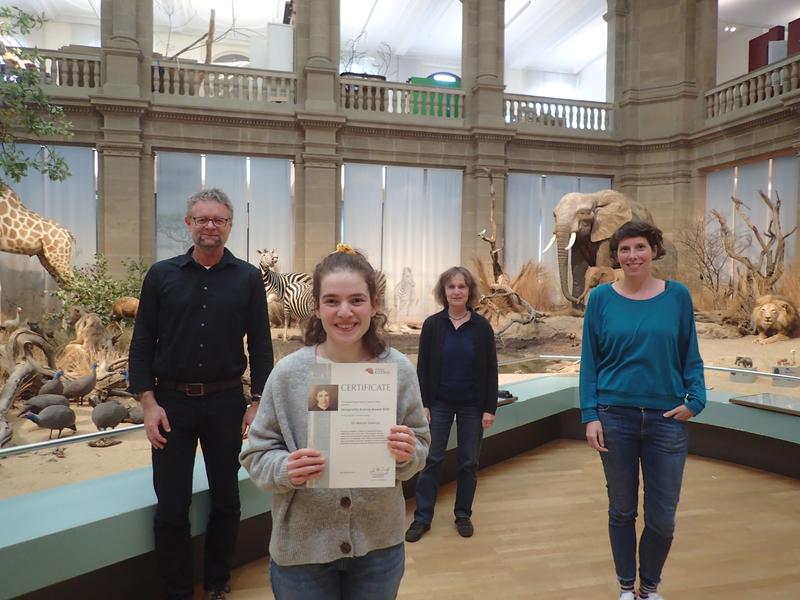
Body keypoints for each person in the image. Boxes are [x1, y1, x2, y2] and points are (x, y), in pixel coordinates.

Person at [240, 244, 430, 600]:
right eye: (332, 301)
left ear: (375, 304)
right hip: (302, 550)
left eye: (357, 300)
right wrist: (286, 468)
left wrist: (407, 454)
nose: (345, 312)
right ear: (316, 307)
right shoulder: (288, 374)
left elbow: (420, 443)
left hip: (378, 547)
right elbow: (256, 455)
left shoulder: (398, 370)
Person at [128, 188, 273, 600]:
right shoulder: (161, 275)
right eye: (202, 219)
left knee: (226, 499)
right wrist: (148, 402)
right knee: (172, 505)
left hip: (226, 402)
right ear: (188, 224)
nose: (210, 226)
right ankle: (176, 590)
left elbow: (260, 345)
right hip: (170, 403)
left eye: (219, 220)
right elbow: (142, 343)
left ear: (229, 226)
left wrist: (257, 402)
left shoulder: (247, 278)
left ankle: (216, 582)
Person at [579, 221, 706, 600]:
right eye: (624, 249)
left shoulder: (678, 296)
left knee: (662, 518)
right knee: (621, 510)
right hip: (614, 417)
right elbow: (590, 361)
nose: (632, 256)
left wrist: (695, 400)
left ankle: (649, 587)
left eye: (639, 247)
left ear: (654, 250)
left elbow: (690, 353)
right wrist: (590, 415)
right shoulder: (601, 298)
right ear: (615, 255)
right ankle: (625, 587)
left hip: (666, 420)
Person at [405, 266, 498, 542]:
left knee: (469, 461)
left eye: (462, 286)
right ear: (443, 292)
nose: (456, 291)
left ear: (469, 291)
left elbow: (491, 368)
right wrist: (424, 403)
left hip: (472, 404)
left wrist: (489, 408)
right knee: (431, 460)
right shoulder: (433, 325)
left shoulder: (481, 327)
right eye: (451, 287)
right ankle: (422, 518)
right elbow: (423, 368)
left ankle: (463, 515)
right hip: (440, 403)